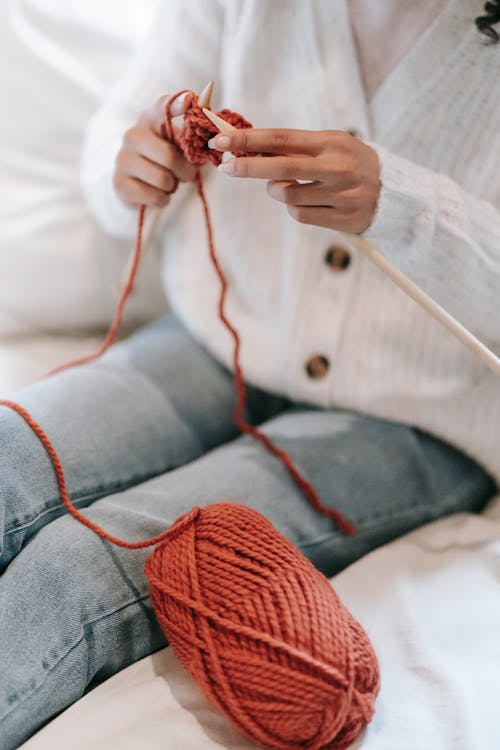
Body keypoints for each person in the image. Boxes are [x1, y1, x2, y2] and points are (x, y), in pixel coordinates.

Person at [1, 1, 499, 747]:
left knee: (76, 572)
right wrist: (132, 163)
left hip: (414, 416)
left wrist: (410, 209)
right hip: (213, 344)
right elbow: (119, 132)